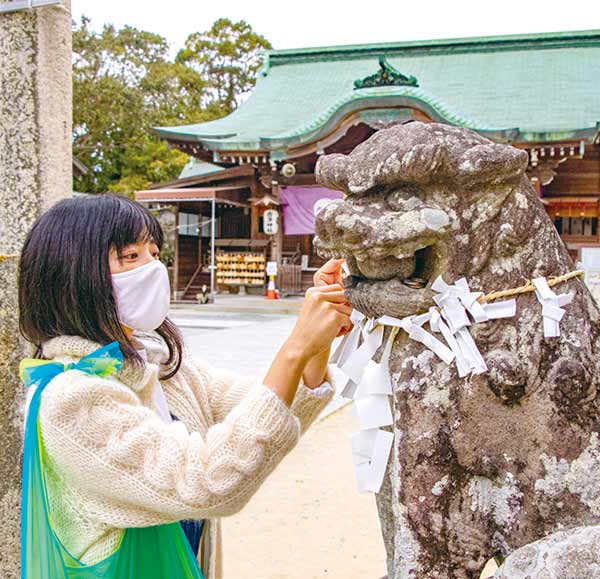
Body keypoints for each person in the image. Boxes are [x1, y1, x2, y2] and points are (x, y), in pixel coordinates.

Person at [18, 195, 352, 579]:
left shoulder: (162, 368)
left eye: (155, 252)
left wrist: (318, 340)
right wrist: (294, 347)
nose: (152, 268)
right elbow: (207, 481)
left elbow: (273, 410)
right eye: (130, 257)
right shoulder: (70, 399)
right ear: (72, 273)